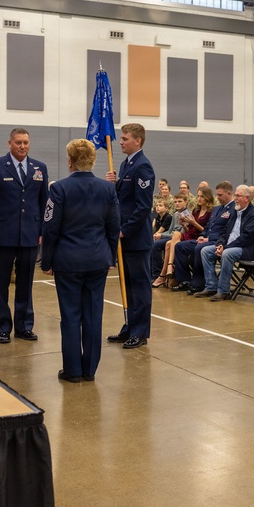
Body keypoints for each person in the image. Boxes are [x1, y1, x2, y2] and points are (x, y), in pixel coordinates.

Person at [40, 139, 119, 383]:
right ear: (93, 161)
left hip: (68, 261)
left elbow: (50, 227)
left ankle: (72, 371)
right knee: (94, 315)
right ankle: (90, 370)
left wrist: (46, 261)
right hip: (97, 259)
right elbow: (114, 227)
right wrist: (111, 257)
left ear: (70, 161)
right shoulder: (107, 189)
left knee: (71, 316)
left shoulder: (59, 189)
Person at [0, 127, 49, 344]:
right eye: (18, 142)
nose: (22, 146)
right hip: (2, 235)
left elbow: (44, 202)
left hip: (30, 234)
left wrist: (41, 231)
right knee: (1, 282)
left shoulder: (40, 167)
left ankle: (24, 326)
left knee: (26, 283)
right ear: (9, 144)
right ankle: (2, 327)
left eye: (26, 143)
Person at [105, 123, 155, 350]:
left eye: (125, 138)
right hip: (123, 237)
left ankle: (140, 332)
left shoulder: (142, 167)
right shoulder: (126, 164)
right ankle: (129, 326)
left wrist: (124, 230)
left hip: (135, 239)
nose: (121, 142)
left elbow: (143, 207)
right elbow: (123, 199)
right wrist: (112, 184)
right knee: (128, 286)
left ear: (138, 141)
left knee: (140, 286)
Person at [197, 185, 254, 301]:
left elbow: (246, 238)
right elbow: (224, 231)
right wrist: (220, 244)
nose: (235, 198)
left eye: (238, 196)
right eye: (235, 195)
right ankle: (211, 286)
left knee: (227, 253)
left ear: (247, 198)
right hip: (230, 246)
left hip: (248, 249)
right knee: (205, 251)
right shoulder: (235, 212)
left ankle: (224, 291)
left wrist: (225, 247)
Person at [171, 182, 234, 294]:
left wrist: (208, 239)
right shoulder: (217, 209)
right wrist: (202, 236)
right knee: (180, 246)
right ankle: (184, 280)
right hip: (206, 239)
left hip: (217, 241)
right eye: (217, 195)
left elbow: (227, 230)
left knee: (199, 248)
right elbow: (208, 227)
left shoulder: (233, 209)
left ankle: (198, 283)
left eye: (220, 195)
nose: (217, 197)